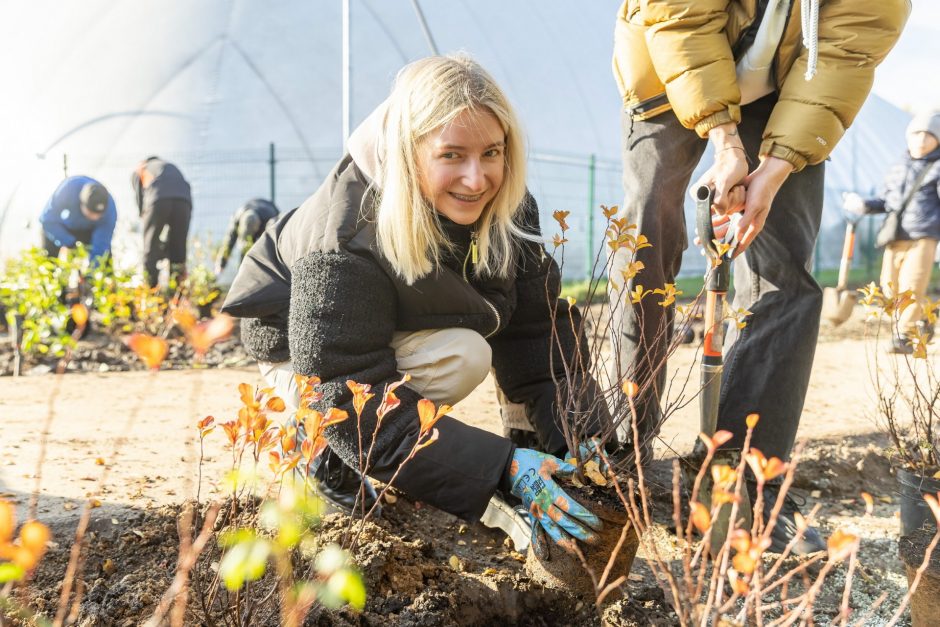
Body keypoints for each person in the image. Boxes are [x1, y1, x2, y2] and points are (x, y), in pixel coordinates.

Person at [222, 55, 614, 556]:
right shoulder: (347, 237)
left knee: (482, 345)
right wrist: (501, 468)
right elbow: (341, 390)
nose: (477, 179)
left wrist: (578, 431)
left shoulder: (509, 208)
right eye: (452, 155)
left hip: (386, 330)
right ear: (409, 152)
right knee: (462, 356)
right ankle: (327, 456)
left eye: (492, 152)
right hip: (307, 361)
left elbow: (537, 330)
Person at [610, 0, 908, 554]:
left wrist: (775, 167)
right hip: (670, 56)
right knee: (647, 240)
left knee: (784, 277)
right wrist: (725, 143)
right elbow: (680, 18)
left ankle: (743, 478)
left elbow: (845, 50)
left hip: (789, 89)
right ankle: (621, 453)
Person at [844, 111, 940, 354]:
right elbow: (888, 201)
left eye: (929, 135)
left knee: (912, 285)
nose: (921, 139)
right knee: (890, 288)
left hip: (923, 235)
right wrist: (864, 205)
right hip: (894, 235)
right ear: (908, 136)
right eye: (917, 133)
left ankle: (904, 337)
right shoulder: (898, 166)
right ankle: (927, 315)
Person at [131, 156, 192, 288]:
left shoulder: (141, 168)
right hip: (184, 201)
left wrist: (143, 212)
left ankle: (151, 290)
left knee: (150, 246)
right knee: (178, 248)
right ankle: (177, 293)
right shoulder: (169, 166)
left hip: (158, 198)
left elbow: (140, 201)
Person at [39, 175, 117, 263]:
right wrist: (69, 242)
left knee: (104, 259)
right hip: (65, 226)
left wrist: (90, 274)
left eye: (98, 215)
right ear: (82, 204)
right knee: (47, 259)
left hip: (90, 230)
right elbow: (46, 220)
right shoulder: (68, 189)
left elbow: (101, 245)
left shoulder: (110, 210)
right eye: (91, 213)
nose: (95, 218)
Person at [214, 198, 280, 275]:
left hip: (268, 216)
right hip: (253, 212)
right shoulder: (238, 216)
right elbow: (229, 240)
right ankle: (243, 274)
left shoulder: (271, 219)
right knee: (245, 249)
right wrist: (221, 264)